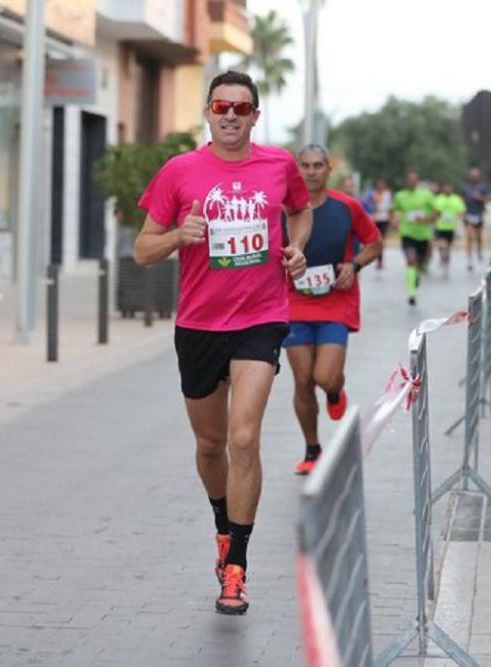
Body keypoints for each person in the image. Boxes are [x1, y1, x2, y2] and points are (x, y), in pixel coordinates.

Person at [134, 70, 312, 616]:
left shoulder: (279, 165)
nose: (230, 115)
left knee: (244, 438)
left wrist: (296, 249)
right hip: (198, 326)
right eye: (221, 106)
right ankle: (222, 524)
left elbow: (299, 211)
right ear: (207, 113)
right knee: (210, 445)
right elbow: (142, 250)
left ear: (256, 116)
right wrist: (176, 237)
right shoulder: (179, 172)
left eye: (241, 107)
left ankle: (236, 566)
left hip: (261, 319)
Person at [285, 144, 381, 475]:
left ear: (329, 170)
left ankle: (335, 389)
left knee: (323, 376)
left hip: (335, 301)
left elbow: (374, 242)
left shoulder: (347, 207)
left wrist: (353, 266)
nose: (311, 172)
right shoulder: (283, 208)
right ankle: (312, 449)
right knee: (302, 380)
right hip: (294, 301)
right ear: (297, 170)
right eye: (305, 166)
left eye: (318, 165)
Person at [391, 170, 438, 306]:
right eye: (409, 180)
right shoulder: (400, 196)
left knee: (420, 264)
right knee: (411, 261)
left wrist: (426, 219)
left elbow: (437, 213)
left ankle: (416, 275)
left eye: (414, 180)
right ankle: (411, 293)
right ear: (406, 181)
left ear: (417, 181)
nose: (412, 182)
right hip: (407, 234)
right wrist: (394, 220)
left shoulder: (426, 195)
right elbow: (394, 210)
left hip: (423, 235)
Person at [433, 182, 465, 275]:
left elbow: (461, 211)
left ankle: (446, 258)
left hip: (451, 227)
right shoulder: (438, 199)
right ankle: (442, 256)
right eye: (446, 188)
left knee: (448, 246)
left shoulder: (456, 199)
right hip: (440, 226)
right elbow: (434, 211)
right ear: (443, 189)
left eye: (449, 188)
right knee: (442, 244)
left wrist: (461, 220)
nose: (448, 190)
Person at [462, 167, 490, 270]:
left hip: (479, 215)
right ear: (469, 176)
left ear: (479, 177)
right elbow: (462, 200)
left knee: (478, 237)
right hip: (469, 214)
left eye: (476, 176)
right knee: (469, 237)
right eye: (472, 175)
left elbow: (488, 199)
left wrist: (479, 197)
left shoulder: (483, 187)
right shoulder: (465, 187)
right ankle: (469, 261)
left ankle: (479, 251)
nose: (474, 177)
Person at [372, 179, 393, 269]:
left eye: (382, 185)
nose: (380, 187)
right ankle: (378, 258)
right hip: (376, 219)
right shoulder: (374, 194)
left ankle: (380, 260)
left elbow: (389, 207)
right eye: (378, 185)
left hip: (384, 219)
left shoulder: (387, 195)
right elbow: (373, 206)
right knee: (377, 240)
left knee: (382, 240)